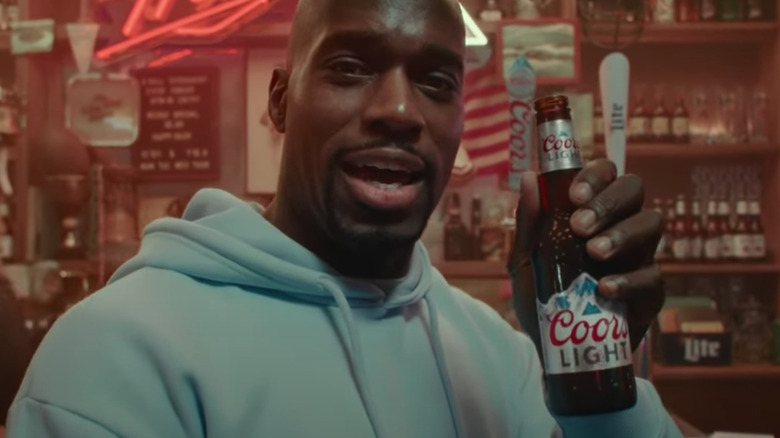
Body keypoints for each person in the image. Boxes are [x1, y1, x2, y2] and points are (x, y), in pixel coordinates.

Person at [7, 0, 680, 436]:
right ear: (280, 101)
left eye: (436, 82)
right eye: (351, 67)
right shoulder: (115, 351)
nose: (400, 110)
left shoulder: (500, 355)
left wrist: (594, 385)